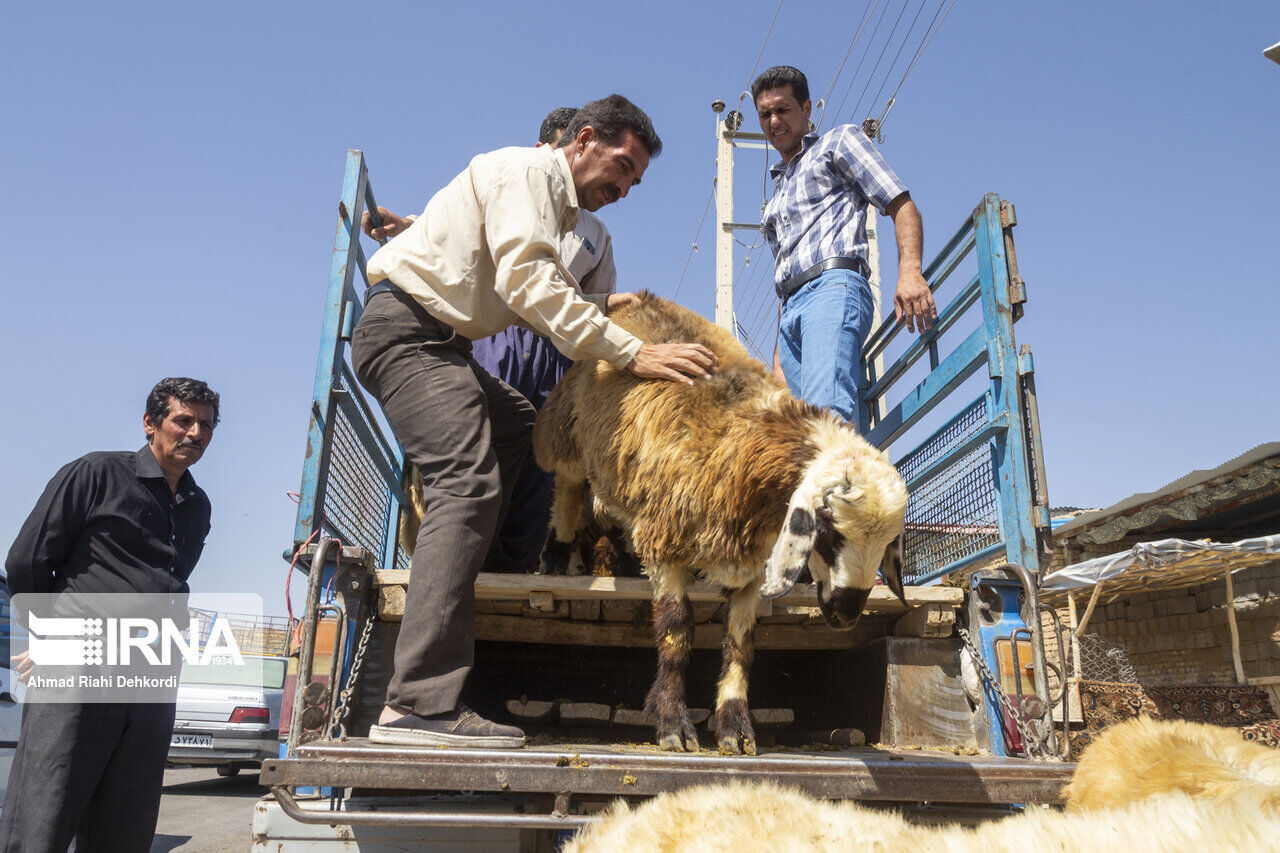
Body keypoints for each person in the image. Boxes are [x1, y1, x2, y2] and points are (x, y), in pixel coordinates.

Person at [350, 94, 717, 750]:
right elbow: (529, 286)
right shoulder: (524, 174)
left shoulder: (554, 207)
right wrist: (635, 349)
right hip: (408, 335)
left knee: (520, 422)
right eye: (622, 166)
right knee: (467, 479)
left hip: (442, 342)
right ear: (582, 140)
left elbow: (525, 285)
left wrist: (603, 303)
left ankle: (486, 563)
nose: (624, 187)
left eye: (634, 181)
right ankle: (417, 705)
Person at [364, 106, 620, 573]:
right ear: (553, 147)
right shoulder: (513, 182)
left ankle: (514, 562)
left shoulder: (596, 233)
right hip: (494, 336)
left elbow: (598, 297)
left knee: (541, 452)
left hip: (553, 348)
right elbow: (458, 234)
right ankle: (462, 557)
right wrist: (403, 226)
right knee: (474, 438)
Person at [1, 377, 219, 853]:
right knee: (48, 805)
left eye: (205, 425)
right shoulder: (96, 473)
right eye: (183, 420)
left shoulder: (196, 506)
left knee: (128, 815)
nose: (195, 434)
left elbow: (171, 578)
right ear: (150, 423)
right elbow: (27, 559)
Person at [752, 65, 937, 426]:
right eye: (764, 114)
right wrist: (778, 360)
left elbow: (900, 203)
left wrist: (910, 272)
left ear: (807, 109)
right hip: (791, 312)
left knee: (826, 422)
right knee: (796, 433)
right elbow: (785, 275)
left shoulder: (838, 142)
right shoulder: (775, 196)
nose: (774, 121)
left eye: (783, 109)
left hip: (831, 289)